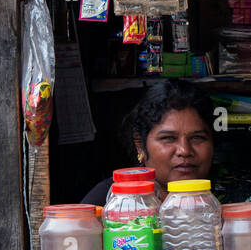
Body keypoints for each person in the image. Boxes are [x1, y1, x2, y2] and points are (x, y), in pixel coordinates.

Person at [82, 80, 215, 206]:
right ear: (140, 145)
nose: (184, 150)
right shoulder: (112, 200)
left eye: (197, 138)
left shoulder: (226, 200)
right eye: (168, 138)